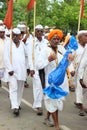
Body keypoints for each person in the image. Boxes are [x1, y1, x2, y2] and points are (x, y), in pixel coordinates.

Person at [35, 29, 74, 130]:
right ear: (50, 39)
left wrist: (70, 59)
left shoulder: (61, 49)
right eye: (54, 38)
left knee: (55, 101)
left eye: (58, 38)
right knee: (53, 102)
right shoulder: (45, 50)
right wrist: (48, 60)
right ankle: (57, 126)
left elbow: (66, 64)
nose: (56, 40)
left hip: (61, 81)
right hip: (50, 81)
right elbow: (38, 65)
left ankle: (47, 118)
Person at [4, 28, 26, 116]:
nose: (15, 37)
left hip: (21, 70)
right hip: (12, 71)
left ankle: (18, 103)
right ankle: (15, 107)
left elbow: (26, 56)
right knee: (13, 88)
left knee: (20, 89)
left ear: (20, 36)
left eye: (17, 35)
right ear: (12, 35)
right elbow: (6, 57)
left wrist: (28, 68)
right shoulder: (8, 44)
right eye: (14, 35)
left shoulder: (23, 45)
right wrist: (9, 69)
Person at [28, 24, 48, 115]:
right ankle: (38, 105)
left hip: (45, 67)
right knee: (37, 87)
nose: (39, 32)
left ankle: (45, 104)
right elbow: (29, 56)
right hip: (35, 68)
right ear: (35, 32)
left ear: (43, 32)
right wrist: (31, 68)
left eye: (41, 31)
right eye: (37, 31)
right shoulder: (31, 42)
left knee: (45, 86)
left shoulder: (46, 42)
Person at [74, 30, 87, 116]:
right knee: (79, 87)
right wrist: (71, 69)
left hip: (86, 70)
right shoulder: (75, 47)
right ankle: (81, 107)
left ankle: (78, 101)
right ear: (80, 38)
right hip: (77, 70)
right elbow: (70, 60)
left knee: (84, 89)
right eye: (85, 36)